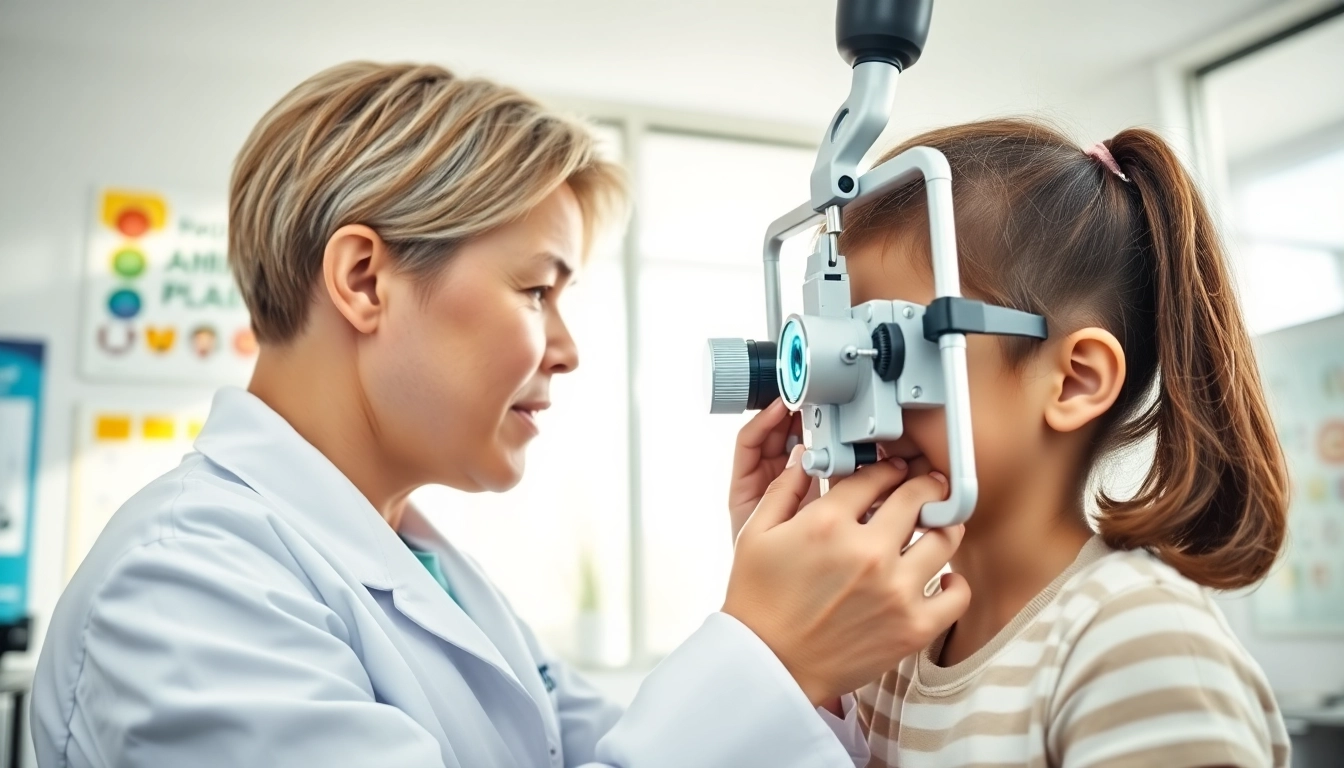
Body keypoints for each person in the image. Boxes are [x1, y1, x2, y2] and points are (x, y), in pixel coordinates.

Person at [32, 62, 970, 768]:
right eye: (535, 290)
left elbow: (604, 749)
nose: (565, 347)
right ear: (365, 280)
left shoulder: (429, 572)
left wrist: (802, 640)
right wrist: (768, 653)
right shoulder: (182, 591)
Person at [729, 117, 1292, 767]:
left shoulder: (1136, 640)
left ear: (1073, 381)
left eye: (889, 353)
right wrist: (799, 657)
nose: (857, 409)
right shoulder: (898, 644)